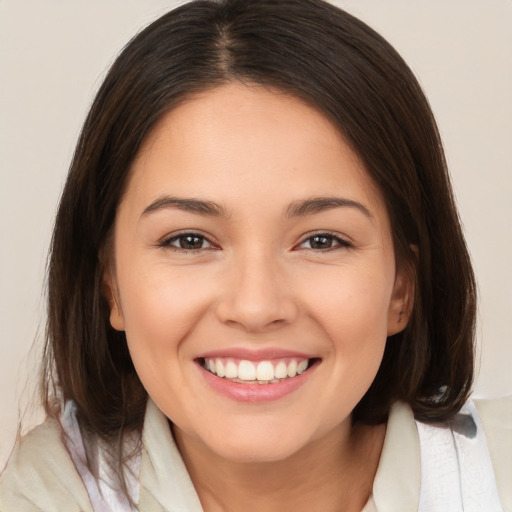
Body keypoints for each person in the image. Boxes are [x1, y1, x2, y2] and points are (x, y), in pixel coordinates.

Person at [0, 0, 510, 510]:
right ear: (110, 283)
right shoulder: (46, 493)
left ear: (402, 287)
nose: (256, 306)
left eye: (322, 240)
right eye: (190, 240)